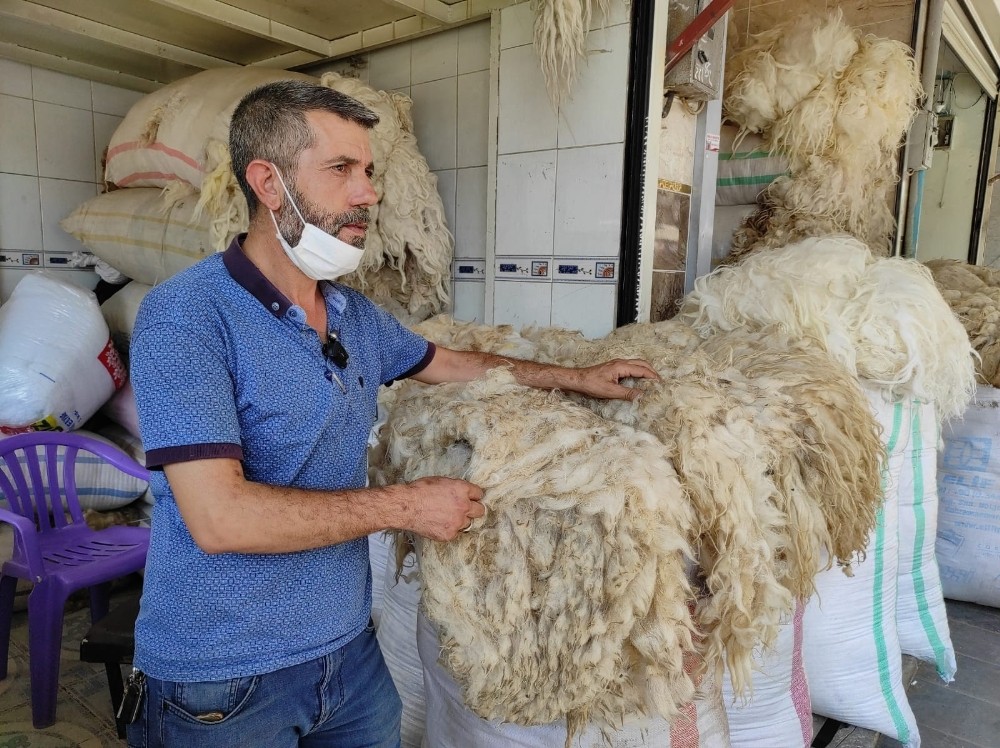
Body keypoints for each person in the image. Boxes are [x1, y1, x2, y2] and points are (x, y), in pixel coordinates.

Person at [127, 79, 659, 748]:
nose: (369, 194)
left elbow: (454, 364)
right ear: (268, 182)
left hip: (348, 660)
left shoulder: (352, 315)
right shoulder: (188, 316)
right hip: (225, 684)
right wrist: (406, 507)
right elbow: (220, 519)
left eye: (370, 171)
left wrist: (580, 379)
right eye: (342, 170)